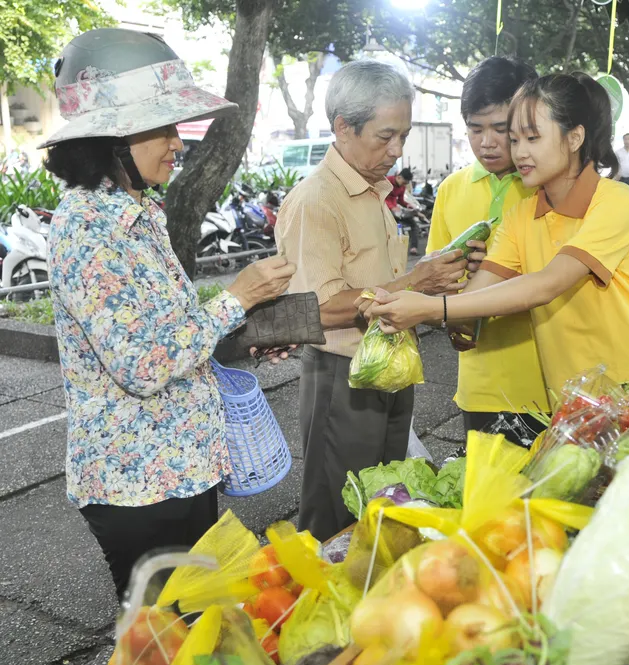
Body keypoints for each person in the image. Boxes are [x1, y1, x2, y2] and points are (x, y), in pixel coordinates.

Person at [41, 29, 297, 599]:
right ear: (110, 141)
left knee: (209, 636)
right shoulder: (86, 226)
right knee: (162, 655)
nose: (177, 144)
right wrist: (238, 298)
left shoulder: (140, 212)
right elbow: (143, 364)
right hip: (139, 488)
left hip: (185, 468)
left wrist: (242, 333)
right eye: (162, 128)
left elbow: (170, 332)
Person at [366, 72, 629, 393]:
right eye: (516, 139)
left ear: (574, 138)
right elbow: (476, 297)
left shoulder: (615, 201)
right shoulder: (521, 214)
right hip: (576, 399)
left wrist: (432, 308)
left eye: (533, 138)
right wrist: (410, 297)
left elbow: (546, 284)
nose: (520, 152)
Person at [277, 60, 470, 541]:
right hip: (341, 376)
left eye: (402, 135)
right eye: (385, 136)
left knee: (384, 501)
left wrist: (426, 278)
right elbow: (318, 309)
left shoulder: (371, 193)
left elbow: (383, 283)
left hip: (387, 365)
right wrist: (418, 283)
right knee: (336, 510)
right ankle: (317, 606)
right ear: (343, 127)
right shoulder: (317, 200)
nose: (397, 150)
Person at [426, 56, 549, 443]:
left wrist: (500, 270)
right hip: (478, 384)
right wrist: (452, 309)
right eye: (475, 129)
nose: (487, 142)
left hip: (546, 382)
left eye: (501, 129)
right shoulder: (452, 189)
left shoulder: (548, 187)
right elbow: (435, 281)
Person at [386, 167, 427, 255]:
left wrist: (410, 206)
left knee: (414, 225)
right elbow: (381, 197)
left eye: (406, 183)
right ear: (399, 177)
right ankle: (391, 250)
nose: (404, 185)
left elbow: (401, 200)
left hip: (396, 211)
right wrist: (392, 207)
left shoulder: (402, 187)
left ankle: (413, 248)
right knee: (393, 228)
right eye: (404, 182)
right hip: (386, 211)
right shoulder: (386, 182)